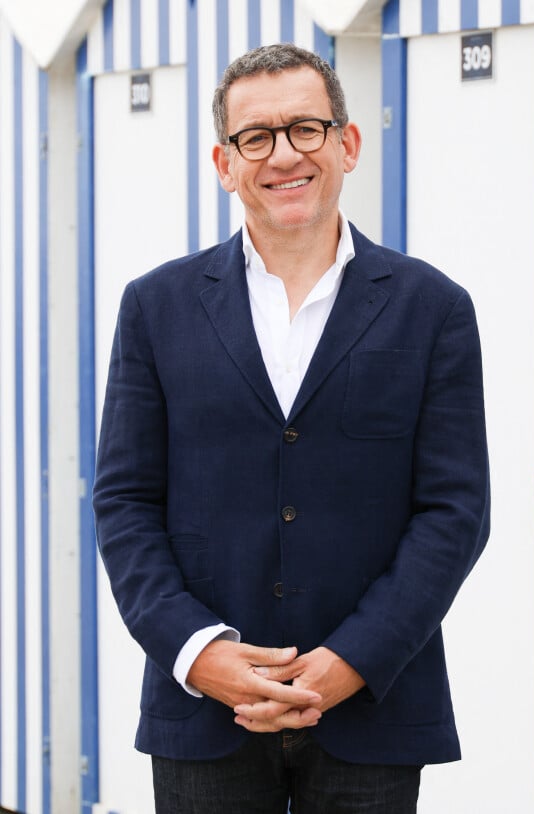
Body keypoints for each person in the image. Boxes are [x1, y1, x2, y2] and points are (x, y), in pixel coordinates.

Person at [93, 43, 490, 814]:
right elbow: (125, 502)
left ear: (347, 143)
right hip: (206, 713)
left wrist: (351, 660)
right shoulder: (155, 307)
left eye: (306, 128)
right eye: (256, 137)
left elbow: (455, 511)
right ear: (224, 161)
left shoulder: (433, 308)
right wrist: (196, 651)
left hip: (371, 711)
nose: (284, 155)